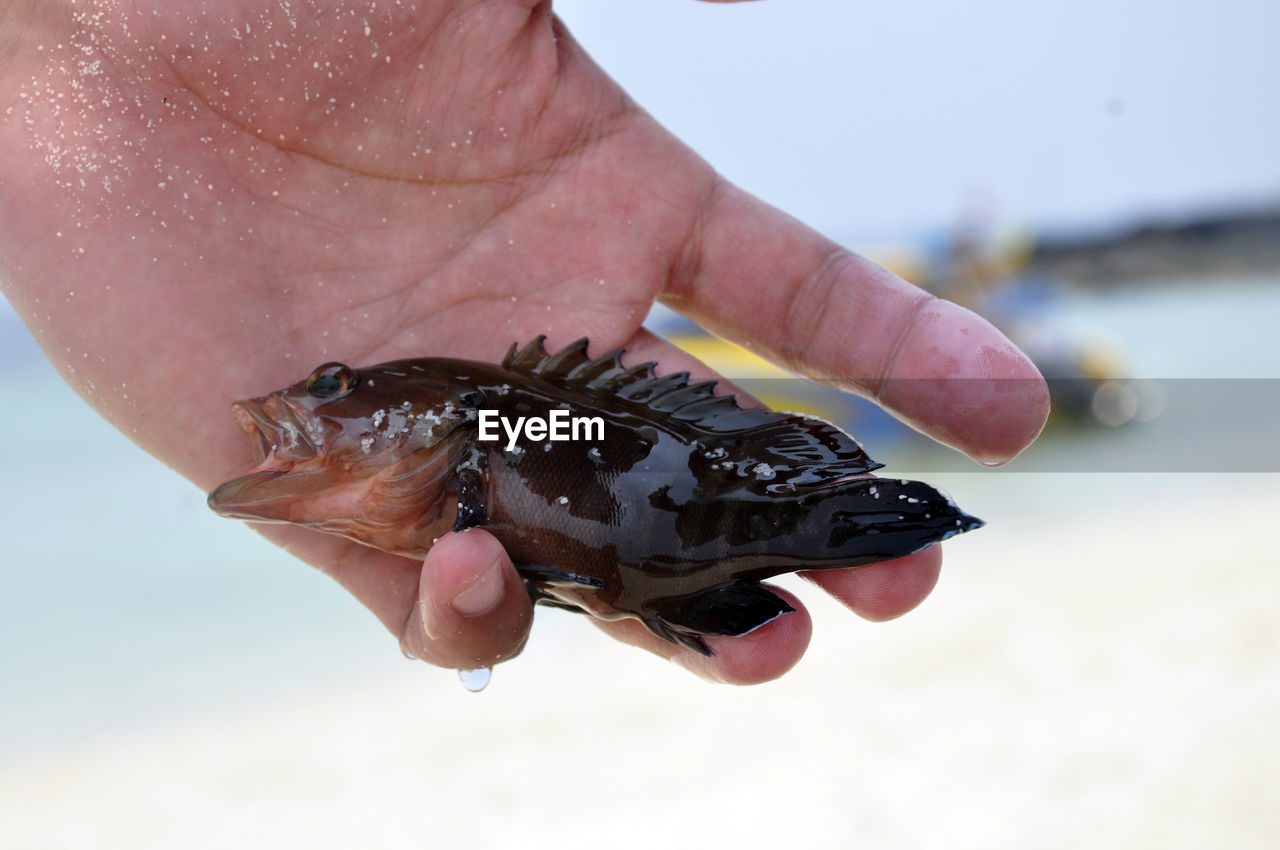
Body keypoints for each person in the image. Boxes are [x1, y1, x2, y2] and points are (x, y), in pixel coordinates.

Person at [0, 0, 1048, 684]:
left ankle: (846, 513)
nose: (303, 403)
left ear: (424, 414)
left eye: (333, 389)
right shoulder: (443, 460)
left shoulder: (476, 438)